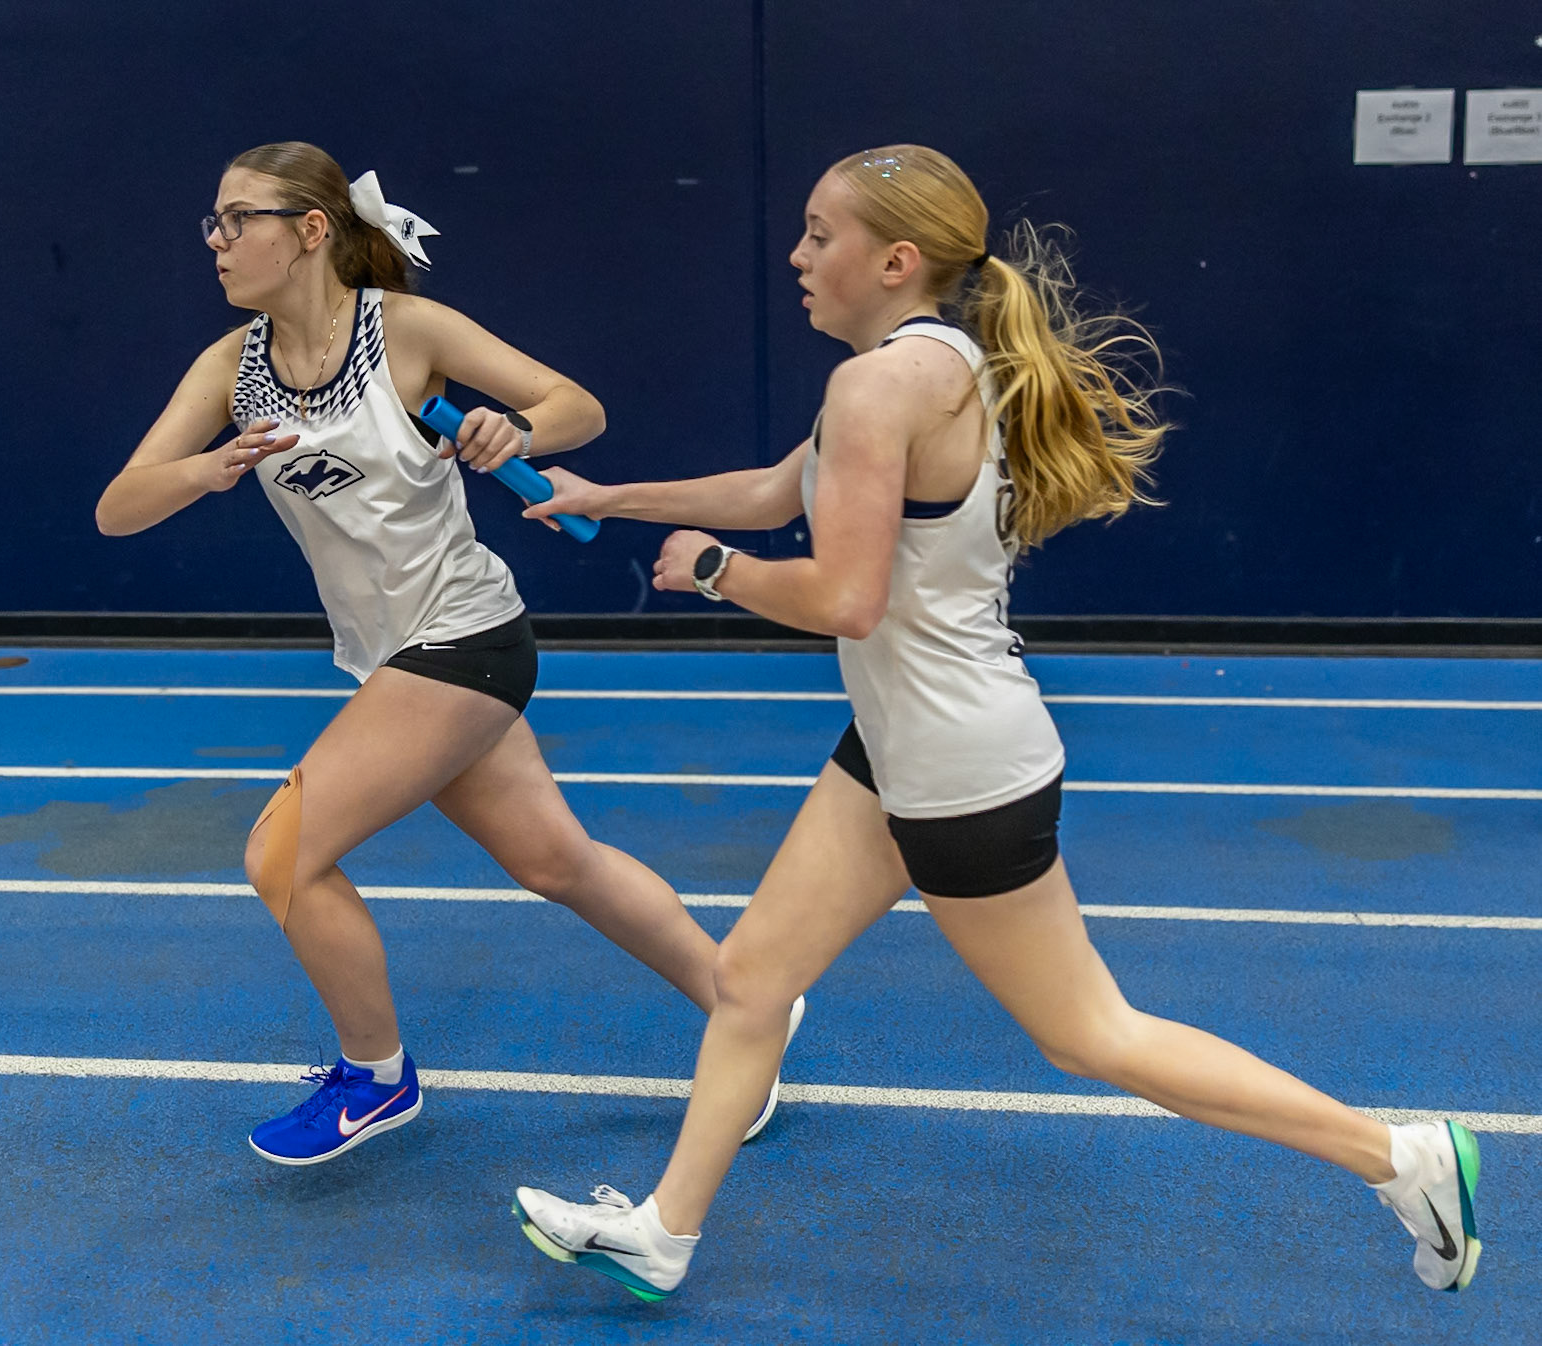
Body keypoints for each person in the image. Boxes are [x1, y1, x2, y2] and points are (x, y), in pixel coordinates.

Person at [510, 144, 1482, 1300]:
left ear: (895, 260)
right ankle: (664, 1230)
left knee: (1090, 1034)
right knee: (752, 976)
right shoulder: (937, 364)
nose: (798, 256)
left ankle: (1401, 1157)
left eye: (820, 234)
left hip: (958, 771)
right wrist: (607, 497)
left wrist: (719, 572)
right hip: (904, 748)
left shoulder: (879, 385)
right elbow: (779, 488)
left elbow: (845, 597)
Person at [95, 141, 800, 1165]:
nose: (217, 240)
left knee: (281, 853)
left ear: (310, 230)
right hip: (392, 655)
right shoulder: (228, 369)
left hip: (464, 635)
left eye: (238, 218)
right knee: (556, 861)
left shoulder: (405, 330)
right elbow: (118, 509)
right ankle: (748, 999)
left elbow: (578, 407)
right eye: (214, 220)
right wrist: (206, 469)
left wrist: (516, 430)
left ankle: (375, 1077)